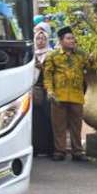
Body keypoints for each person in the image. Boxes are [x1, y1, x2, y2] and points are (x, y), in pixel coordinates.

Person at [42, 26, 97, 162]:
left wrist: (91, 60)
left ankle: (77, 152)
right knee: (58, 126)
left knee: (76, 126)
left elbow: (93, 70)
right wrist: (49, 90)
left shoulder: (81, 54)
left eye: (73, 38)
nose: (72, 41)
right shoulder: (53, 56)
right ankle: (59, 151)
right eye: (69, 38)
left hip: (76, 95)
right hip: (58, 95)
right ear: (61, 41)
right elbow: (47, 76)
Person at [30, 23, 56, 156]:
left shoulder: (51, 54)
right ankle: (36, 148)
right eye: (38, 39)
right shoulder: (31, 54)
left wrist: (42, 68)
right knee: (35, 120)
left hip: (47, 90)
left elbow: (55, 73)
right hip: (33, 90)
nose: (40, 41)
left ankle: (49, 149)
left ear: (47, 40)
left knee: (48, 119)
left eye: (43, 39)